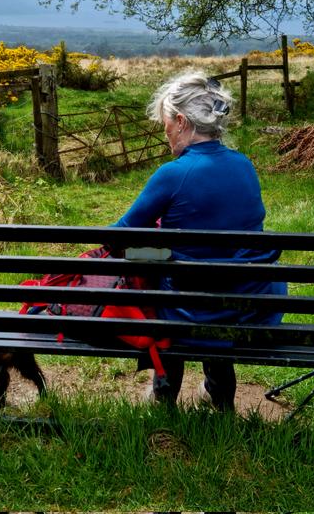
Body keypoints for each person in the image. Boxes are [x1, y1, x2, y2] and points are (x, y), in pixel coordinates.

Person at [113, 70, 286, 410]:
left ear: (180, 121)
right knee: (213, 278)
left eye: (165, 122)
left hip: (191, 311)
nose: (164, 131)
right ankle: (219, 396)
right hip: (248, 309)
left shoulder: (173, 174)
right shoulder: (244, 165)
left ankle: (164, 397)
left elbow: (117, 238)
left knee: (163, 281)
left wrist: (152, 250)